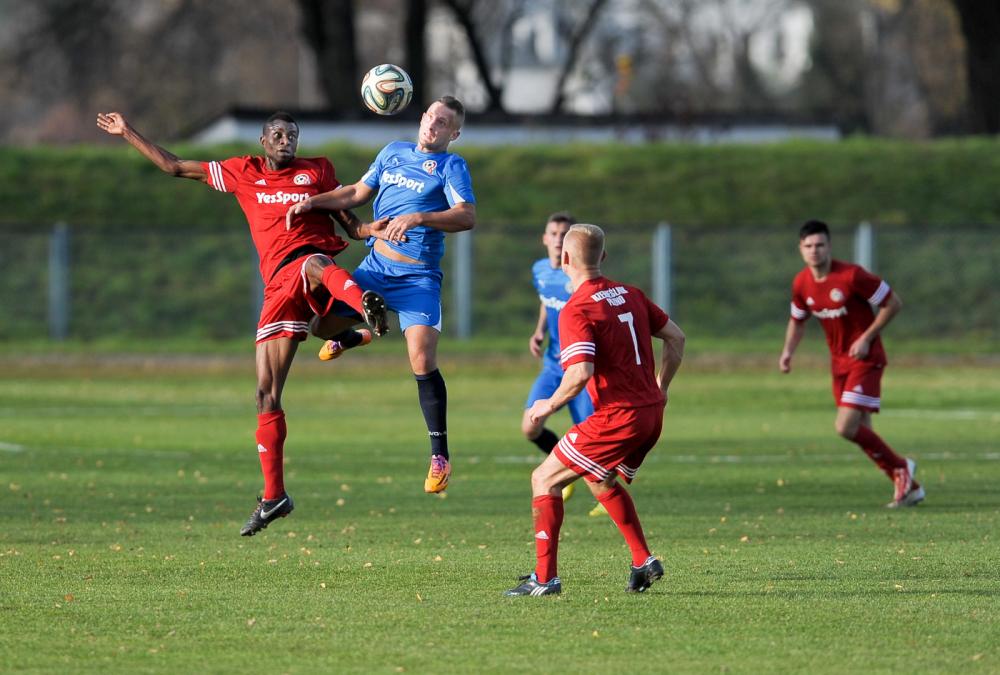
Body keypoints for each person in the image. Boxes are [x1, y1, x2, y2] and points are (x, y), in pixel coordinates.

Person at [96, 110, 390, 536]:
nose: (286, 139)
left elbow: (352, 224)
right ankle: (274, 497)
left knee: (314, 263)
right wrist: (128, 132)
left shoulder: (318, 171)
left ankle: (362, 304)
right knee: (265, 395)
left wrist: (374, 231)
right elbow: (175, 166)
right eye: (278, 133)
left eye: (292, 134)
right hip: (278, 289)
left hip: (312, 267)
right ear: (262, 140)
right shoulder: (242, 171)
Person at [286, 96, 476, 494]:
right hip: (374, 270)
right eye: (430, 117)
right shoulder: (393, 152)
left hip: (419, 278)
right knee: (319, 326)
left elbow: (467, 215)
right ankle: (360, 331)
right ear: (421, 118)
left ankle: (439, 456)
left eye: (443, 123)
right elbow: (356, 193)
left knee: (422, 359)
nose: (433, 126)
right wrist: (311, 202)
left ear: (454, 134)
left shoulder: (451, 166)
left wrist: (420, 216)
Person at [504, 223, 686, 597]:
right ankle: (643, 561)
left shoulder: (578, 308)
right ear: (603, 256)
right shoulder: (631, 293)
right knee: (597, 477)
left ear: (566, 259)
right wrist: (661, 387)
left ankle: (545, 579)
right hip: (651, 412)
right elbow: (676, 337)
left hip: (618, 416)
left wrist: (547, 405)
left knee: (544, 479)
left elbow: (579, 372)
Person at [779, 220, 924, 508]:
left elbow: (893, 303)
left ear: (829, 246)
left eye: (820, 245)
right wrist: (787, 352)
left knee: (845, 427)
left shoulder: (852, 276)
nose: (814, 251)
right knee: (863, 430)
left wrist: (868, 337)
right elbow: (797, 321)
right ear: (800, 249)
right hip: (839, 363)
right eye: (808, 246)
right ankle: (909, 487)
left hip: (865, 359)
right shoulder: (801, 283)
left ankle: (901, 468)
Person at [523, 211, 595, 506]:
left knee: (592, 438)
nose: (557, 239)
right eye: (553, 233)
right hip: (553, 364)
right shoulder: (540, 270)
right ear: (544, 238)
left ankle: (603, 494)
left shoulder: (578, 277)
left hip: (578, 366)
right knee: (530, 427)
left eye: (564, 234)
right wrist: (538, 331)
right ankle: (564, 470)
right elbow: (545, 303)